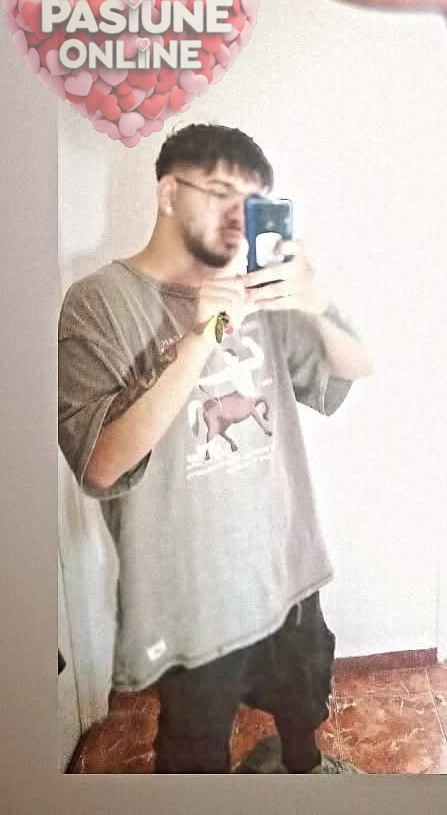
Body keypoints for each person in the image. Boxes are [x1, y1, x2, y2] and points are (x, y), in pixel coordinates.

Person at [57, 124, 372, 774]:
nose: (238, 217)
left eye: (252, 202)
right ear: (168, 193)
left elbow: (354, 368)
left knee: (303, 697)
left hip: (285, 564)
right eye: (221, 192)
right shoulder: (97, 304)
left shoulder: (263, 294)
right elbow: (101, 465)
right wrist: (201, 336)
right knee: (194, 746)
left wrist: (316, 302)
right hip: (190, 594)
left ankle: (302, 767)